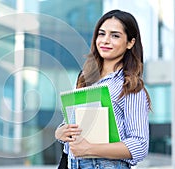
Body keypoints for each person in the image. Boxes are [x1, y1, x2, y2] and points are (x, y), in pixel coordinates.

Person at [55, 9, 152, 169]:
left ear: (130, 43)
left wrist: (89, 149)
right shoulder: (84, 79)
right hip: (69, 163)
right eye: (101, 34)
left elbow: (140, 145)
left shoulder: (130, 87)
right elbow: (70, 123)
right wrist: (60, 133)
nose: (105, 40)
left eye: (115, 35)